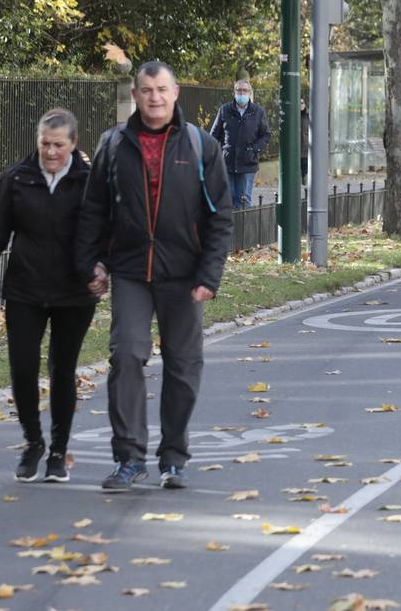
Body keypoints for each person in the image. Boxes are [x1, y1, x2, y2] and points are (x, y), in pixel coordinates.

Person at [78, 61, 234, 492]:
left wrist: (209, 275)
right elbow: (94, 210)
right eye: (146, 90)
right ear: (135, 95)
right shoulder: (113, 144)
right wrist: (93, 262)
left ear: (175, 93)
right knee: (126, 356)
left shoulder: (200, 145)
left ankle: (173, 459)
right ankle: (129, 459)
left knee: (182, 366)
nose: (155, 97)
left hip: (184, 275)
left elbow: (220, 216)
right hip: (130, 271)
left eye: (162, 89)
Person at [0, 108, 98, 484]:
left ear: (73, 144)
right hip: (25, 289)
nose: (51, 152)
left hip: (73, 293)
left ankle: (58, 452)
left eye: (58, 145)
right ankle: (33, 442)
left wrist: (102, 268)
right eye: (45, 144)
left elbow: (104, 232)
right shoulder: (16, 179)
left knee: (63, 370)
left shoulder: (89, 182)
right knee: (23, 369)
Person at [209, 79, 271, 209]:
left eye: (245, 90)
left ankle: (244, 223)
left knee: (243, 201)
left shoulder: (258, 111)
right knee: (227, 201)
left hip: (248, 163)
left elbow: (266, 135)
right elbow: (213, 135)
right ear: (234, 92)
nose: (242, 93)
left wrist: (254, 149)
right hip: (227, 163)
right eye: (239, 90)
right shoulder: (224, 110)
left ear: (249, 93)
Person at [300, 98, 311, 181]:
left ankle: (304, 179)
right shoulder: (294, 114)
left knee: (305, 163)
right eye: (299, 103)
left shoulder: (308, 115)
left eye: (302, 103)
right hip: (297, 145)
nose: (301, 105)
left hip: (305, 144)